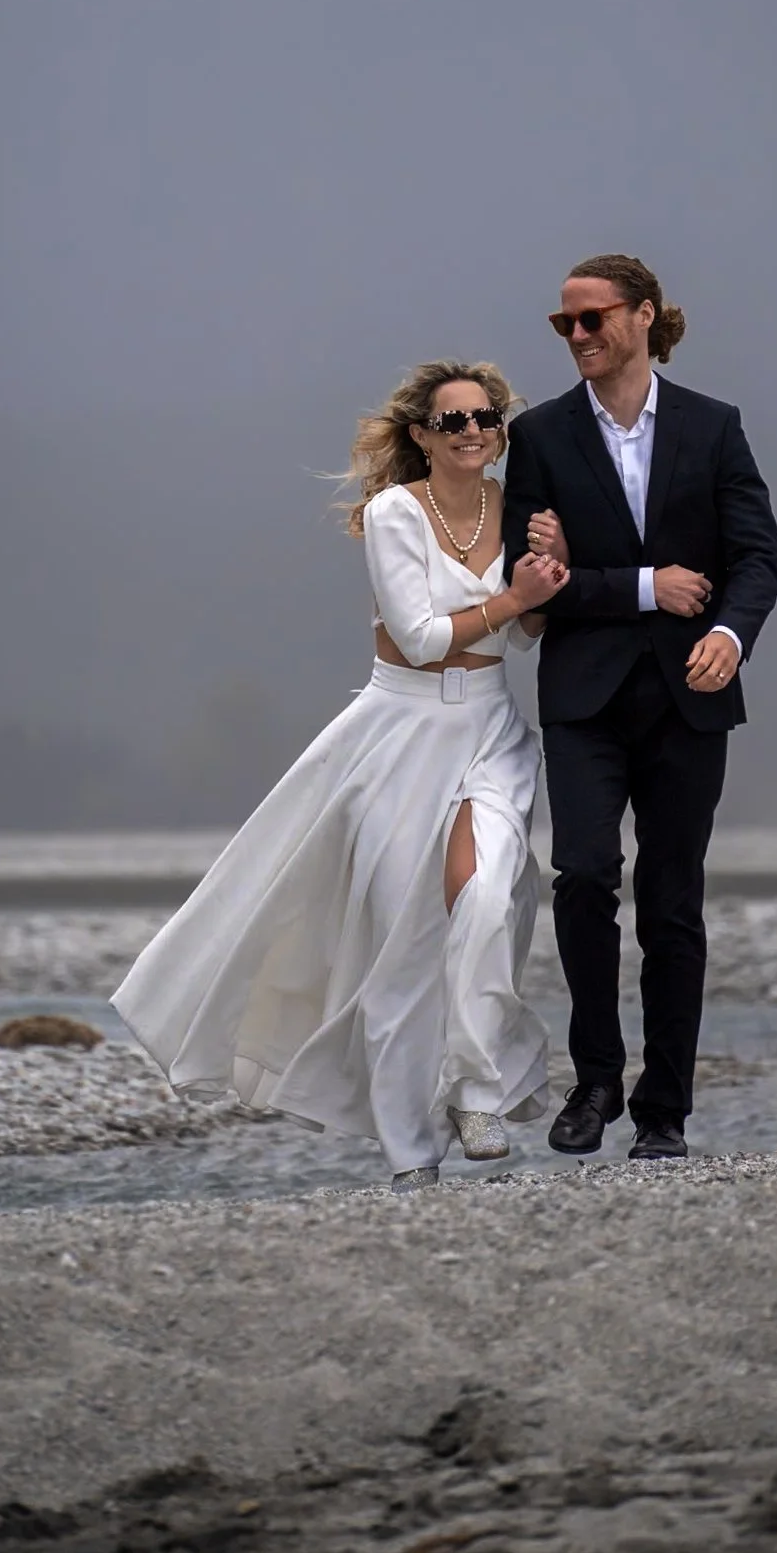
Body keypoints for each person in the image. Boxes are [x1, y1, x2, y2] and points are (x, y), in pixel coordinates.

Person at [112, 362, 569, 1193]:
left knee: (489, 894)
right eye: (454, 419)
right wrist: (516, 601)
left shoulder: (525, 512)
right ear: (423, 435)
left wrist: (546, 586)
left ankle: (476, 1088)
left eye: (486, 418)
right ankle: (409, 1157)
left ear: (501, 430)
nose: (472, 431)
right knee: (404, 948)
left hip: (491, 729)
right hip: (398, 733)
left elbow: (527, 634)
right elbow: (424, 635)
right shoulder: (397, 512)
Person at [502, 256, 777, 1162]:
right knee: (582, 877)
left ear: (643, 317)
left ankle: (665, 1111)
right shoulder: (538, 436)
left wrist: (731, 636)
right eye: (564, 325)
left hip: (690, 700)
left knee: (672, 904)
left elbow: (757, 559)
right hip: (582, 700)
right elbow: (532, 591)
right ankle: (594, 1082)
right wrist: (645, 589)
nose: (577, 336)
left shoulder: (714, 426)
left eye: (592, 319)